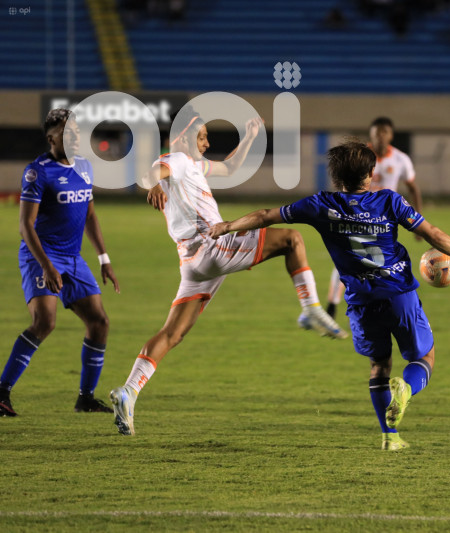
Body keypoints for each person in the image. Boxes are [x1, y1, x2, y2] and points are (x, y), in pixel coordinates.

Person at [209, 140, 450, 450]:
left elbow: (265, 215)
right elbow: (433, 233)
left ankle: (390, 438)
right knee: (424, 357)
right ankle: (407, 391)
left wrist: (226, 226)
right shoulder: (389, 202)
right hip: (399, 294)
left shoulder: (319, 205)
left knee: (379, 366)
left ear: (335, 177)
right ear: (371, 174)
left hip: (361, 302)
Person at [109, 108, 346, 436]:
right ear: (184, 134)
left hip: (192, 263)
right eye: (202, 136)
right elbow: (149, 174)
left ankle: (128, 392)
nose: (206, 143)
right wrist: (155, 184)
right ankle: (310, 309)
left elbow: (231, 165)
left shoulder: (191, 164)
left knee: (172, 334)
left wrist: (248, 137)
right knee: (292, 238)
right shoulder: (176, 158)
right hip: (212, 247)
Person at [0, 109, 121, 417]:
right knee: (45, 322)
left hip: (72, 258)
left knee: (100, 323)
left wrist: (104, 258)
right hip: (41, 255)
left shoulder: (84, 167)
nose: (76, 137)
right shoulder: (38, 172)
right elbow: (26, 226)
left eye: (78, 132)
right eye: (69, 132)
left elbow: (90, 214)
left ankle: (86, 398)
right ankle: (1, 392)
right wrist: (47, 266)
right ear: (52, 137)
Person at [301, 116, 423, 323]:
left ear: (391, 135)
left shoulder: (401, 160)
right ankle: (333, 304)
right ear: (372, 135)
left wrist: (417, 220)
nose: (380, 137)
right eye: (376, 133)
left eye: (384, 133)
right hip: (355, 215)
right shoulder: (359, 158)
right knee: (352, 260)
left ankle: (376, 301)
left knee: (378, 261)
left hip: (384, 218)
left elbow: (413, 188)